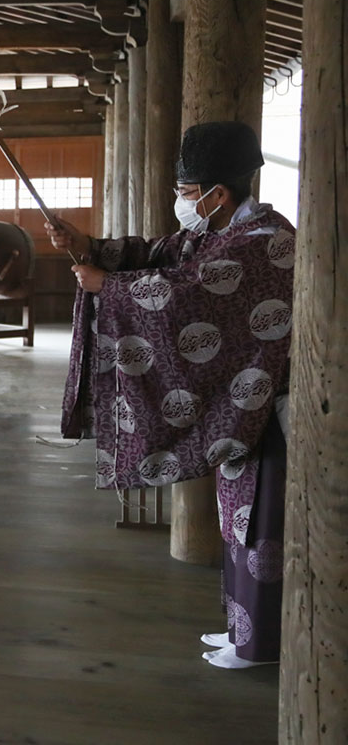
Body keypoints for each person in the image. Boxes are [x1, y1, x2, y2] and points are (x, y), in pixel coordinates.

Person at [47, 121, 294, 669]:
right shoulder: (217, 231)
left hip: (269, 410)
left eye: (186, 194)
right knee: (239, 521)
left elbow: (187, 297)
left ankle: (262, 646)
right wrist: (87, 245)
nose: (181, 205)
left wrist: (105, 288)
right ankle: (243, 631)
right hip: (245, 406)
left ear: (218, 195)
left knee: (263, 528)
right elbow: (158, 254)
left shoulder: (266, 243)